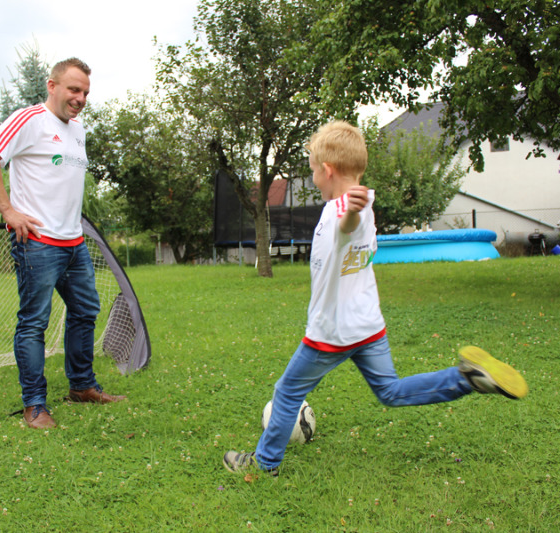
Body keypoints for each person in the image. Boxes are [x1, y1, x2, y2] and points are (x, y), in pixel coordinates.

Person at [223, 120, 528, 475]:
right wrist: (355, 209)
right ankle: (468, 378)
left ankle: (264, 464)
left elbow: (347, 228)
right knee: (391, 391)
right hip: (369, 328)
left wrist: (351, 211)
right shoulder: (364, 205)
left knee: (287, 391)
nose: (313, 179)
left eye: (312, 173)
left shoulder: (347, 210)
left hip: (331, 335)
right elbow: (354, 225)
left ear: (327, 170)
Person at [0, 57, 126, 430]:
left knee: (86, 310)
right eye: (74, 89)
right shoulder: (29, 120)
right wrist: (8, 210)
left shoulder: (78, 130)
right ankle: (35, 407)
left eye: (85, 92)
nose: (80, 98)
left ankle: (82, 386)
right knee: (33, 323)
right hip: (37, 243)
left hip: (73, 242)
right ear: (52, 86)